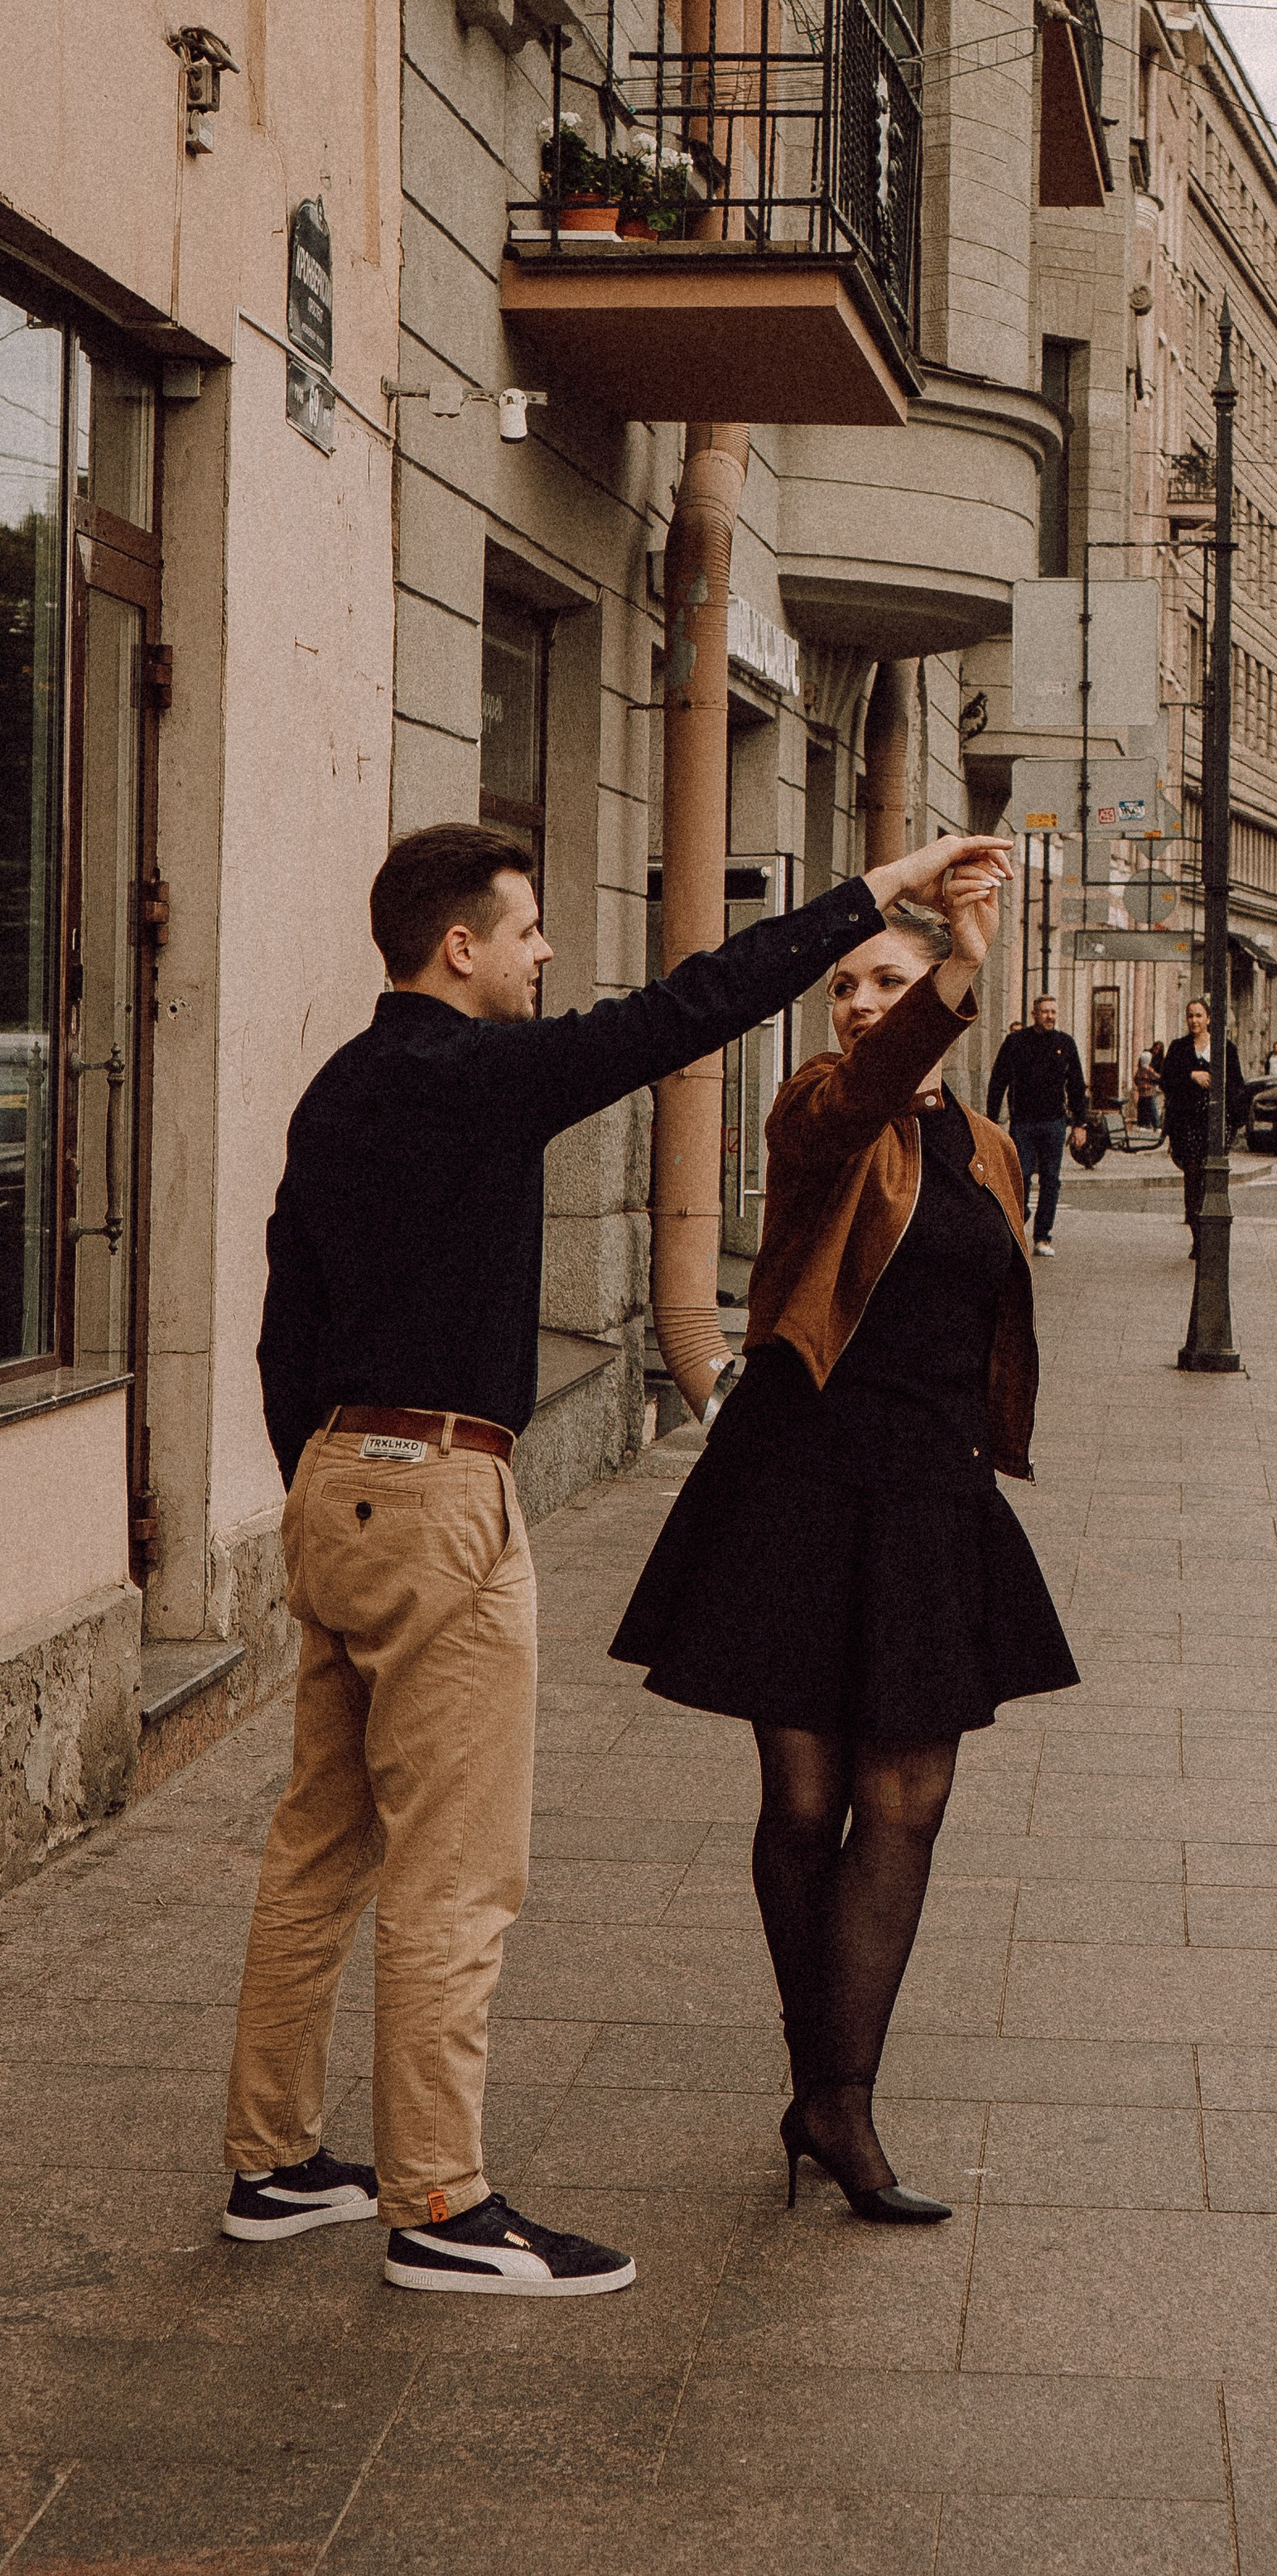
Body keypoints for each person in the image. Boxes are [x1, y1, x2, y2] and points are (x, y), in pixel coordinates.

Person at [223, 817, 1006, 2300]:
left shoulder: (340, 1086)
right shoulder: (485, 1074)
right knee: (459, 1873)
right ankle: (440, 2205)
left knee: (320, 1841)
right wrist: (888, 887)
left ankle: (272, 2162)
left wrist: (319, 1485)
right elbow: (692, 1007)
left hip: (336, 1480)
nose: (543, 956)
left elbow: (285, 1306)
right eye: (526, 932)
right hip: (439, 1483)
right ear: (460, 946)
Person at [610, 855, 1077, 2224]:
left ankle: (832, 2094)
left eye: (887, 981)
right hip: (803, 1484)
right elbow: (866, 1089)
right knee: (805, 1805)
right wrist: (958, 968)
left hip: (930, 1498)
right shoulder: (817, 1110)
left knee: (907, 1802)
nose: (862, 1006)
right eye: (847, 989)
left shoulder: (987, 1149)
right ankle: (835, 2099)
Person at [985, 993, 1088, 1253]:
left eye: (1053, 1011)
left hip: (1054, 1122)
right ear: (1034, 1014)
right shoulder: (1016, 1042)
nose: (1050, 1016)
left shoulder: (1065, 1043)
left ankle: (1042, 1237)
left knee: (1051, 1180)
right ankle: (1018, 1225)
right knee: (1020, 1177)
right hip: (1023, 1123)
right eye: (1045, 1012)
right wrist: (992, 1120)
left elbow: (1077, 1085)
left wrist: (1080, 1124)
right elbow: (998, 1081)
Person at [1159, 995, 1247, 1252]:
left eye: (1199, 1015)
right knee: (1192, 1176)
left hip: (1215, 1125)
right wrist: (1191, 1075)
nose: (1194, 1020)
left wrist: (1234, 1120)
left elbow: (1237, 1085)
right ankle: (1197, 1237)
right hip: (1187, 1124)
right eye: (1190, 1016)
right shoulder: (1179, 1048)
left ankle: (1210, 1237)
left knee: (1212, 1180)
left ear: (1209, 1018)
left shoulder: (1225, 1048)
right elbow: (1166, 1080)